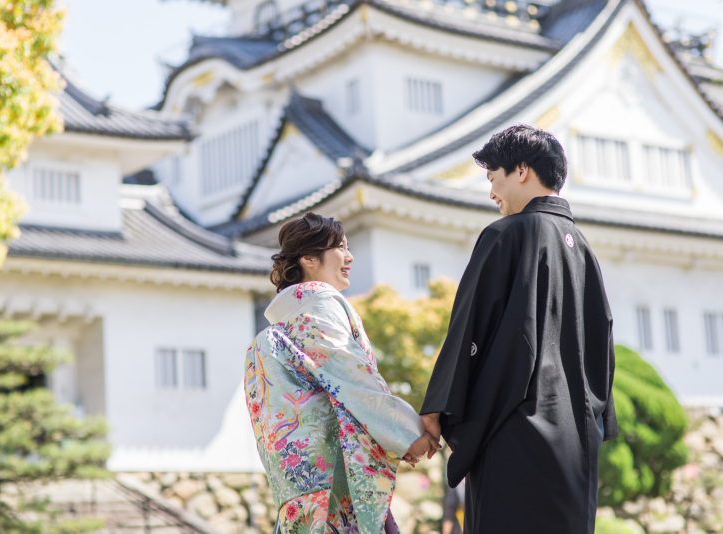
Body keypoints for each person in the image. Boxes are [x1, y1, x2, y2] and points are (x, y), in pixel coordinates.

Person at [419, 125, 618, 534]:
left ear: (521, 171)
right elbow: (603, 348)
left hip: (515, 430)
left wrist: (438, 405)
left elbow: (471, 327)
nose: (492, 193)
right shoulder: (582, 248)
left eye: (494, 178)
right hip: (577, 442)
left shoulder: (505, 235)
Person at [245, 212, 440, 534]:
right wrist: (407, 433)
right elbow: (350, 374)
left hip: (301, 482)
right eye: (340, 247)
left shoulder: (277, 330)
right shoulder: (319, 303)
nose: (349, 257)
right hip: (337, 473)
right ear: (308, 258)